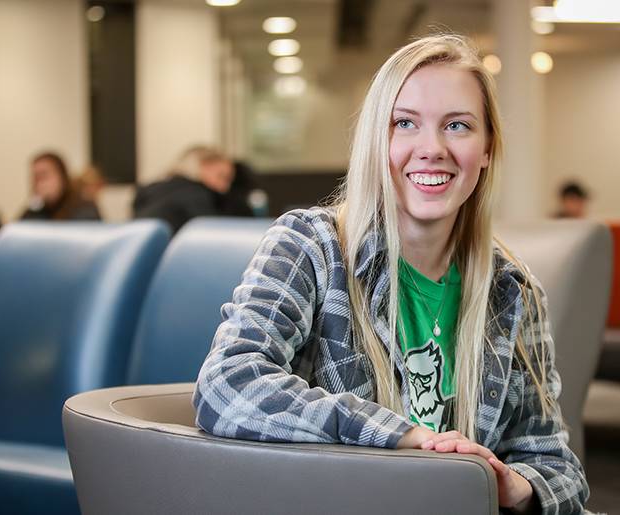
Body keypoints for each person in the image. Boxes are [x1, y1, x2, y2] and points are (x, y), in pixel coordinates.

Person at [193, 34, 589, 513]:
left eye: (458, 126)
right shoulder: (312, 246)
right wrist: (403, 436)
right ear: (377, 142)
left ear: (486, 150)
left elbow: (557, 464)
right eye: (405, 123)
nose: (432, 148)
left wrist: (517, 486)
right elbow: (227, 383)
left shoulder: (513, 291)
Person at [133, 145, 235, 233]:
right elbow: (214, 234)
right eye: (222, 176)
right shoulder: (196, 195)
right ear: (204, 166)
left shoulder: (148, 190)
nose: (225, 188)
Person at [20, 151, 102, 220]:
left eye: (44, 175)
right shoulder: (38, 208)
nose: (39, 182)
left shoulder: (84, 209)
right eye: (35, 177)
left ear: (62, 177)